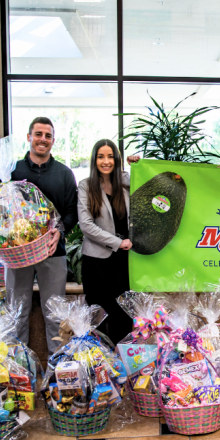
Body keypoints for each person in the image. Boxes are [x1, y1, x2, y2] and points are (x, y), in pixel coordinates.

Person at [6, 117, 78, 354]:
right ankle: (18, 372)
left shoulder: (64, 174)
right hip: (17, 254)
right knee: (16, 313)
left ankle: (58, 376)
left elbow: (71, 211)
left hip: (52, 252)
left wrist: (60, 230)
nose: (42, 140)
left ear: (53, 141)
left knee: (56, 316)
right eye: (38, 134)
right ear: (29, 137)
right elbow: (2, 209)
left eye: (47, 136)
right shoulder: (12, 170)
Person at [78, 139, 133, 344]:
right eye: (101, 156)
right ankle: (100, 367)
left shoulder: (125, 183)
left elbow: (145, 180)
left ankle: (123, 366)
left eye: (110, 156)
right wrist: (117, 243)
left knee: (123, 314)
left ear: (117, 159)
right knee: (98, 317)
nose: (106, 161)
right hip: (96, 263)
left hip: (123, 263)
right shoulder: (86, 186)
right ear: (94, 160)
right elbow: (86, 225)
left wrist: (136, 164)